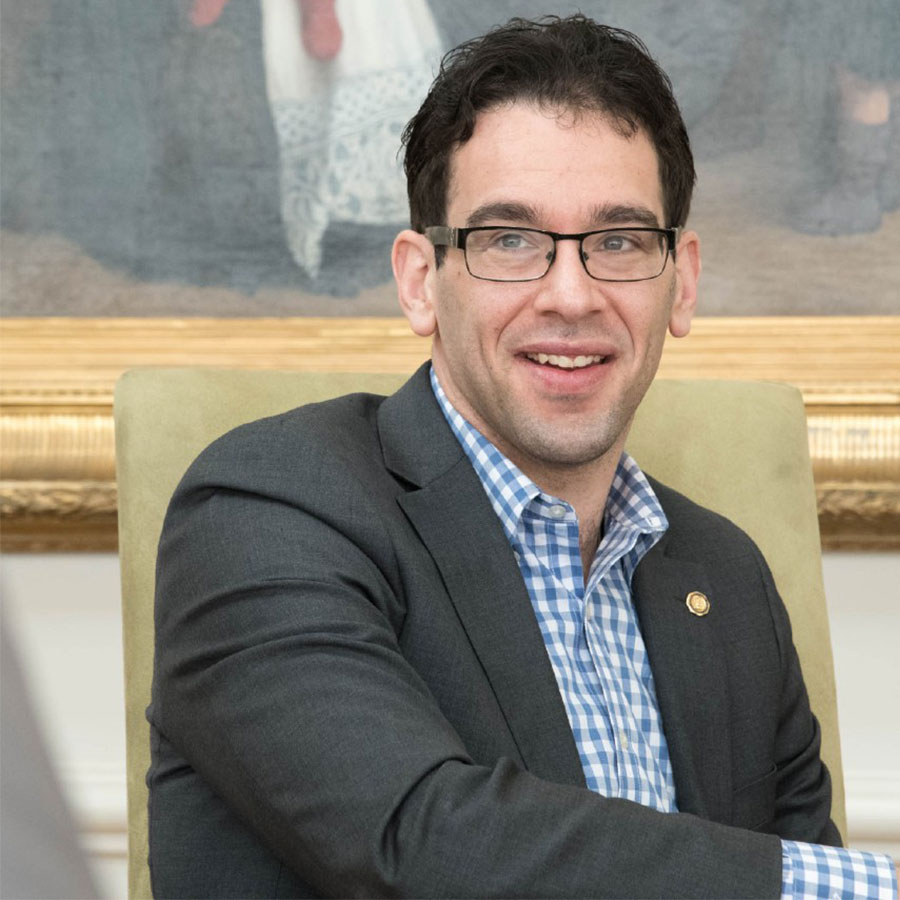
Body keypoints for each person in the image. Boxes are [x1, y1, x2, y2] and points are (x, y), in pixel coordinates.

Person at [149, 15, 898, 898]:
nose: (571, 295)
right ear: (420, 282)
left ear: (682, 283)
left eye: (619, 242)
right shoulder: (267, 509)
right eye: (510, 241)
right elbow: (419, 844)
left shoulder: (727, 579)